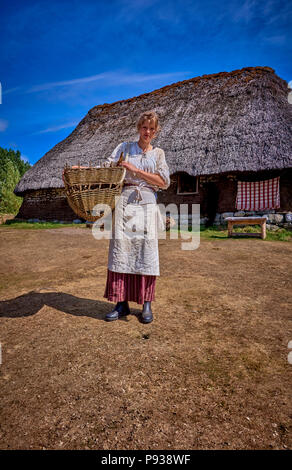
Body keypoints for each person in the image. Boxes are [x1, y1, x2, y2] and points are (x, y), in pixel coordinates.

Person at [103, 110, 170, 323]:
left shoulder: (158, 154)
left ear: (156, 131)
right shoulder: (125, 148)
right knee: (121, 251)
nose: (147, 132)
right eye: (144, 127)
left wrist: (135, 170)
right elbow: (106, 166)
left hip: (148, 203)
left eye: (151, 129)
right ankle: (121, 304)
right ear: (138, 128)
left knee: (146, 251)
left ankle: (146, 304)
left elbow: (163, 182)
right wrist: (79, 169)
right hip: (125, 202)